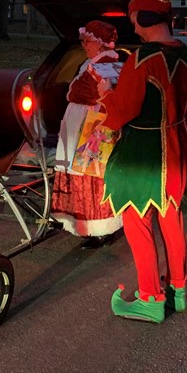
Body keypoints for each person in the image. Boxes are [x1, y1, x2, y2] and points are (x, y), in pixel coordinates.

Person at [97, 0, 187, 324]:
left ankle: (150, 297)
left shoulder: (142, 59)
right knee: (171, 219)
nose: (132, 25)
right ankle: (178, 291)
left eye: (134, 17)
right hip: (176, 147)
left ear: (144, 18)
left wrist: (104, 95)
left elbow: (124, 110)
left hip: (144, 153)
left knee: (137, 222)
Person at [50, 21, 124, 248]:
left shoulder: (106, 64)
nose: (84, 45)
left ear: (100, 43)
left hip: (91, 126)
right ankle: (80, 221)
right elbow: (76, 91)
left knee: (90, 172)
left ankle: (99, 226)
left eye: (87, 41)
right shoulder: (92, 63)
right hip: (80, 123)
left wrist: (75, 92)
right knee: (79, 170)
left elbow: (81, 92)